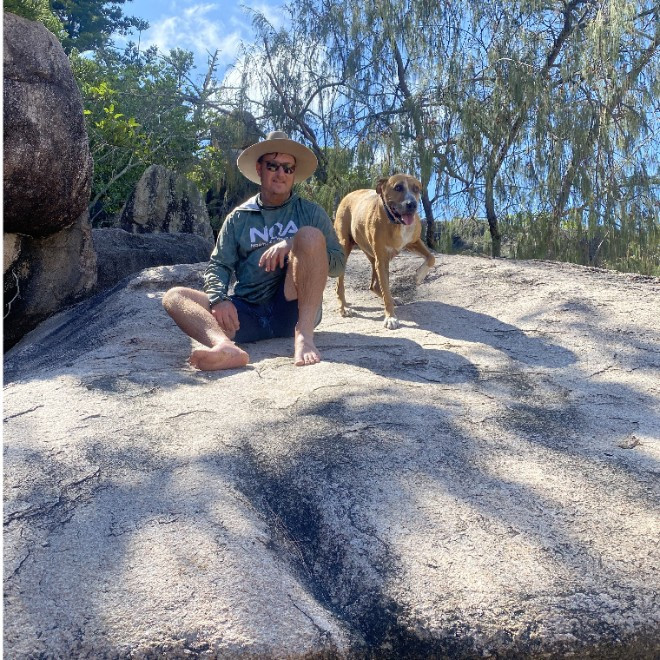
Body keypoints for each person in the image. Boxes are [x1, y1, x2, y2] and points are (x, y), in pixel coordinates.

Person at [162, 131, 345, 370]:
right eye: (273, 166)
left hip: (292, 310)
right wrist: (219, 299)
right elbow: (219, 265)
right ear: (259, 169)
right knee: (175, 297)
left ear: (294, 173)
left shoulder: (311, 213)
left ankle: (304, 336)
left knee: (309, 235)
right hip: (246, 313)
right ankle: (225, 347)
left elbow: (338, 264)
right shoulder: (238, 218)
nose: (281, 173)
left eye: (288, 168)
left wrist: (293, 243)